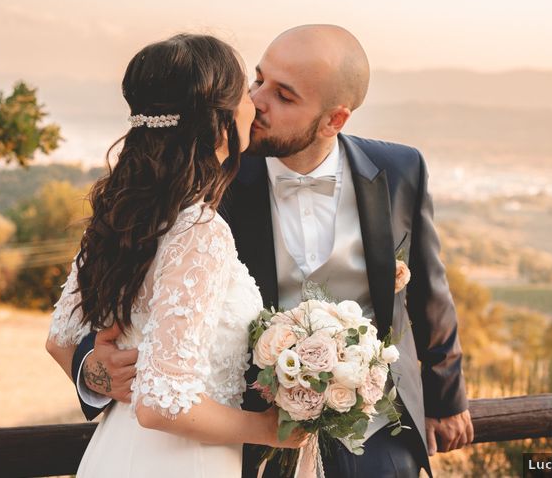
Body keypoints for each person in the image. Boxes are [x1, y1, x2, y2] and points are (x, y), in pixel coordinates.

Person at [64, 25, 474, 477]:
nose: (257, 100)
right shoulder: (207, 184)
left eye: (284, 95)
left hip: (379, 432)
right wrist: (91, 371)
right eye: (258, 80)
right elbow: (122, 296)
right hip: (248, 440)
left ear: (334, 120)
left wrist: (446, 397)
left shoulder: (400, 169)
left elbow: (430, 293)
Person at [45, 33, 308, 478]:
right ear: (220, 121)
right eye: (244, 89)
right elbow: (159, 406)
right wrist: (267, 430)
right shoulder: (199, 230)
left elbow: (61, 340)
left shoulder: (120, 214)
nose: (253, 103)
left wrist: (95, 372)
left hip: (116, 454)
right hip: (182, 463)